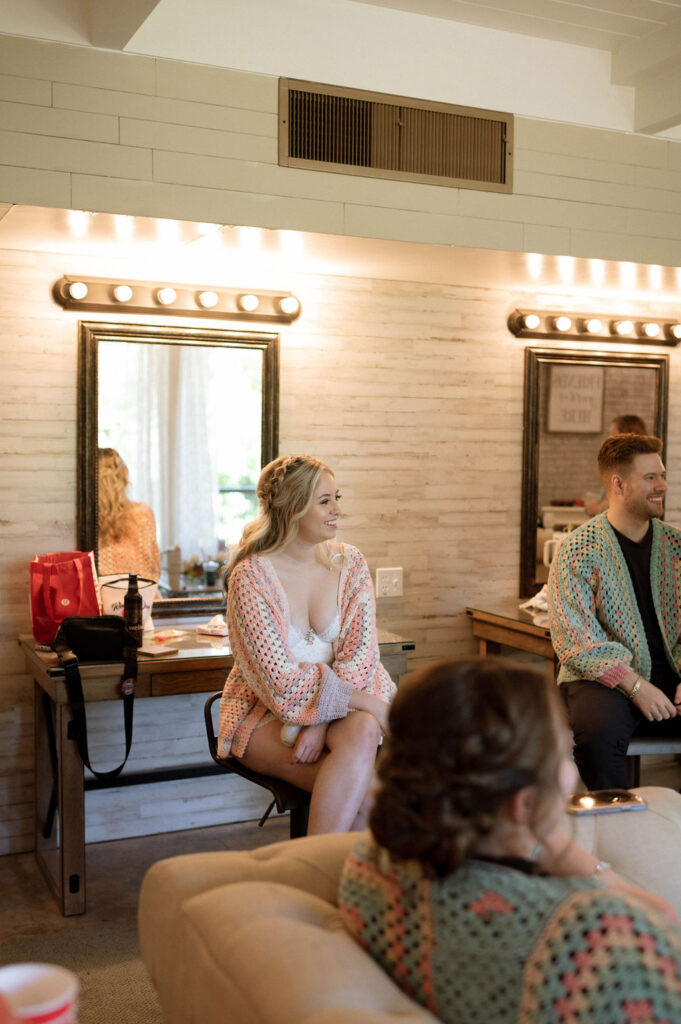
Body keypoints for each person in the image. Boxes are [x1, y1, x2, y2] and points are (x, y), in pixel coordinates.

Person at [339, 658, 681, 1024]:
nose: (572, 774)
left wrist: (586, 864)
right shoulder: (595, 938)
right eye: (566, 756)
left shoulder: (369, 865)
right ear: (524, 803)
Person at [217, 454, 395, 834]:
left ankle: (324, 879)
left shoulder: (351, 563)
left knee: (364, 732)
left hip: (336, 714)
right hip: (264, 716)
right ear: (293, 507)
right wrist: (365, 702)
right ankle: (321, 878)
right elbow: (282, 685)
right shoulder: (251, 578)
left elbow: (362, 657)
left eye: (337, 497)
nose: (338, 510)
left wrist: (319, 720)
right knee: (370, 796)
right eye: (325, 501)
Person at [548, 433, 681, 789]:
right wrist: (636, 686)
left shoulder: (676, 546)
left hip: (673, 674)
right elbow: (574, 640)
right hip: (603, 680)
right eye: (651, 478)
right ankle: (611, 830)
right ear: (618, 484)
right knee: (598, 734)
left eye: (662, 475)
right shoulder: (577, 550)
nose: (663, 486)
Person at [97, 447, 161, 581]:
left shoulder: (90, 522)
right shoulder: (144, 513)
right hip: (146, 598)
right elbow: (155, 571)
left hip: (107, 601)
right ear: (124, 477)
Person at [584, 413, 648, 516]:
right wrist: (599, 504)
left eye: (614, 436)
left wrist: (598, 508)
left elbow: (628, 504)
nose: (610, 441)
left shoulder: (637, 467)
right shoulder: (619, 464)